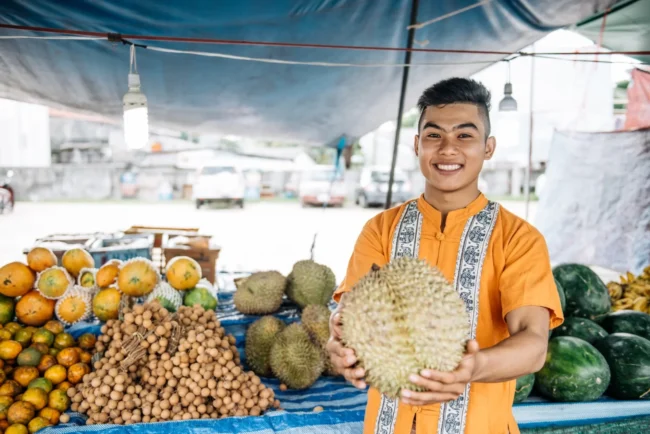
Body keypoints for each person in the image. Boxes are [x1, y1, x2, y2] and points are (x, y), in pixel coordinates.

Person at [326, 77, 563, 434]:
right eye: (434, 135)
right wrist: (338, 347)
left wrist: (475, 366)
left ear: (488, 147)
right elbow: (350, 322)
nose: (448, 149)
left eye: (465, 136)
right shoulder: (380, 230)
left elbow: (533, 344)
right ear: (417, 145)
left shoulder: (519, 239)